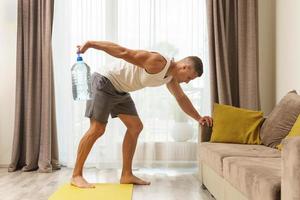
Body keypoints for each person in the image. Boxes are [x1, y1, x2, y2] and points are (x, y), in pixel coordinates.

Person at [70, 41, 213, 188]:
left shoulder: (170, 77)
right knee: (97, 129)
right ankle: (76, 175)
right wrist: (91, 44)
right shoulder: (157, 61)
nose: (188, 82)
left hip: (120, 89)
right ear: (184, 67)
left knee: (135, 127)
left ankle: (126, 175)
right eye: (189, 77)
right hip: (104, 81)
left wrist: (199, 118)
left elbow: (181, 98)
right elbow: (123, 52)